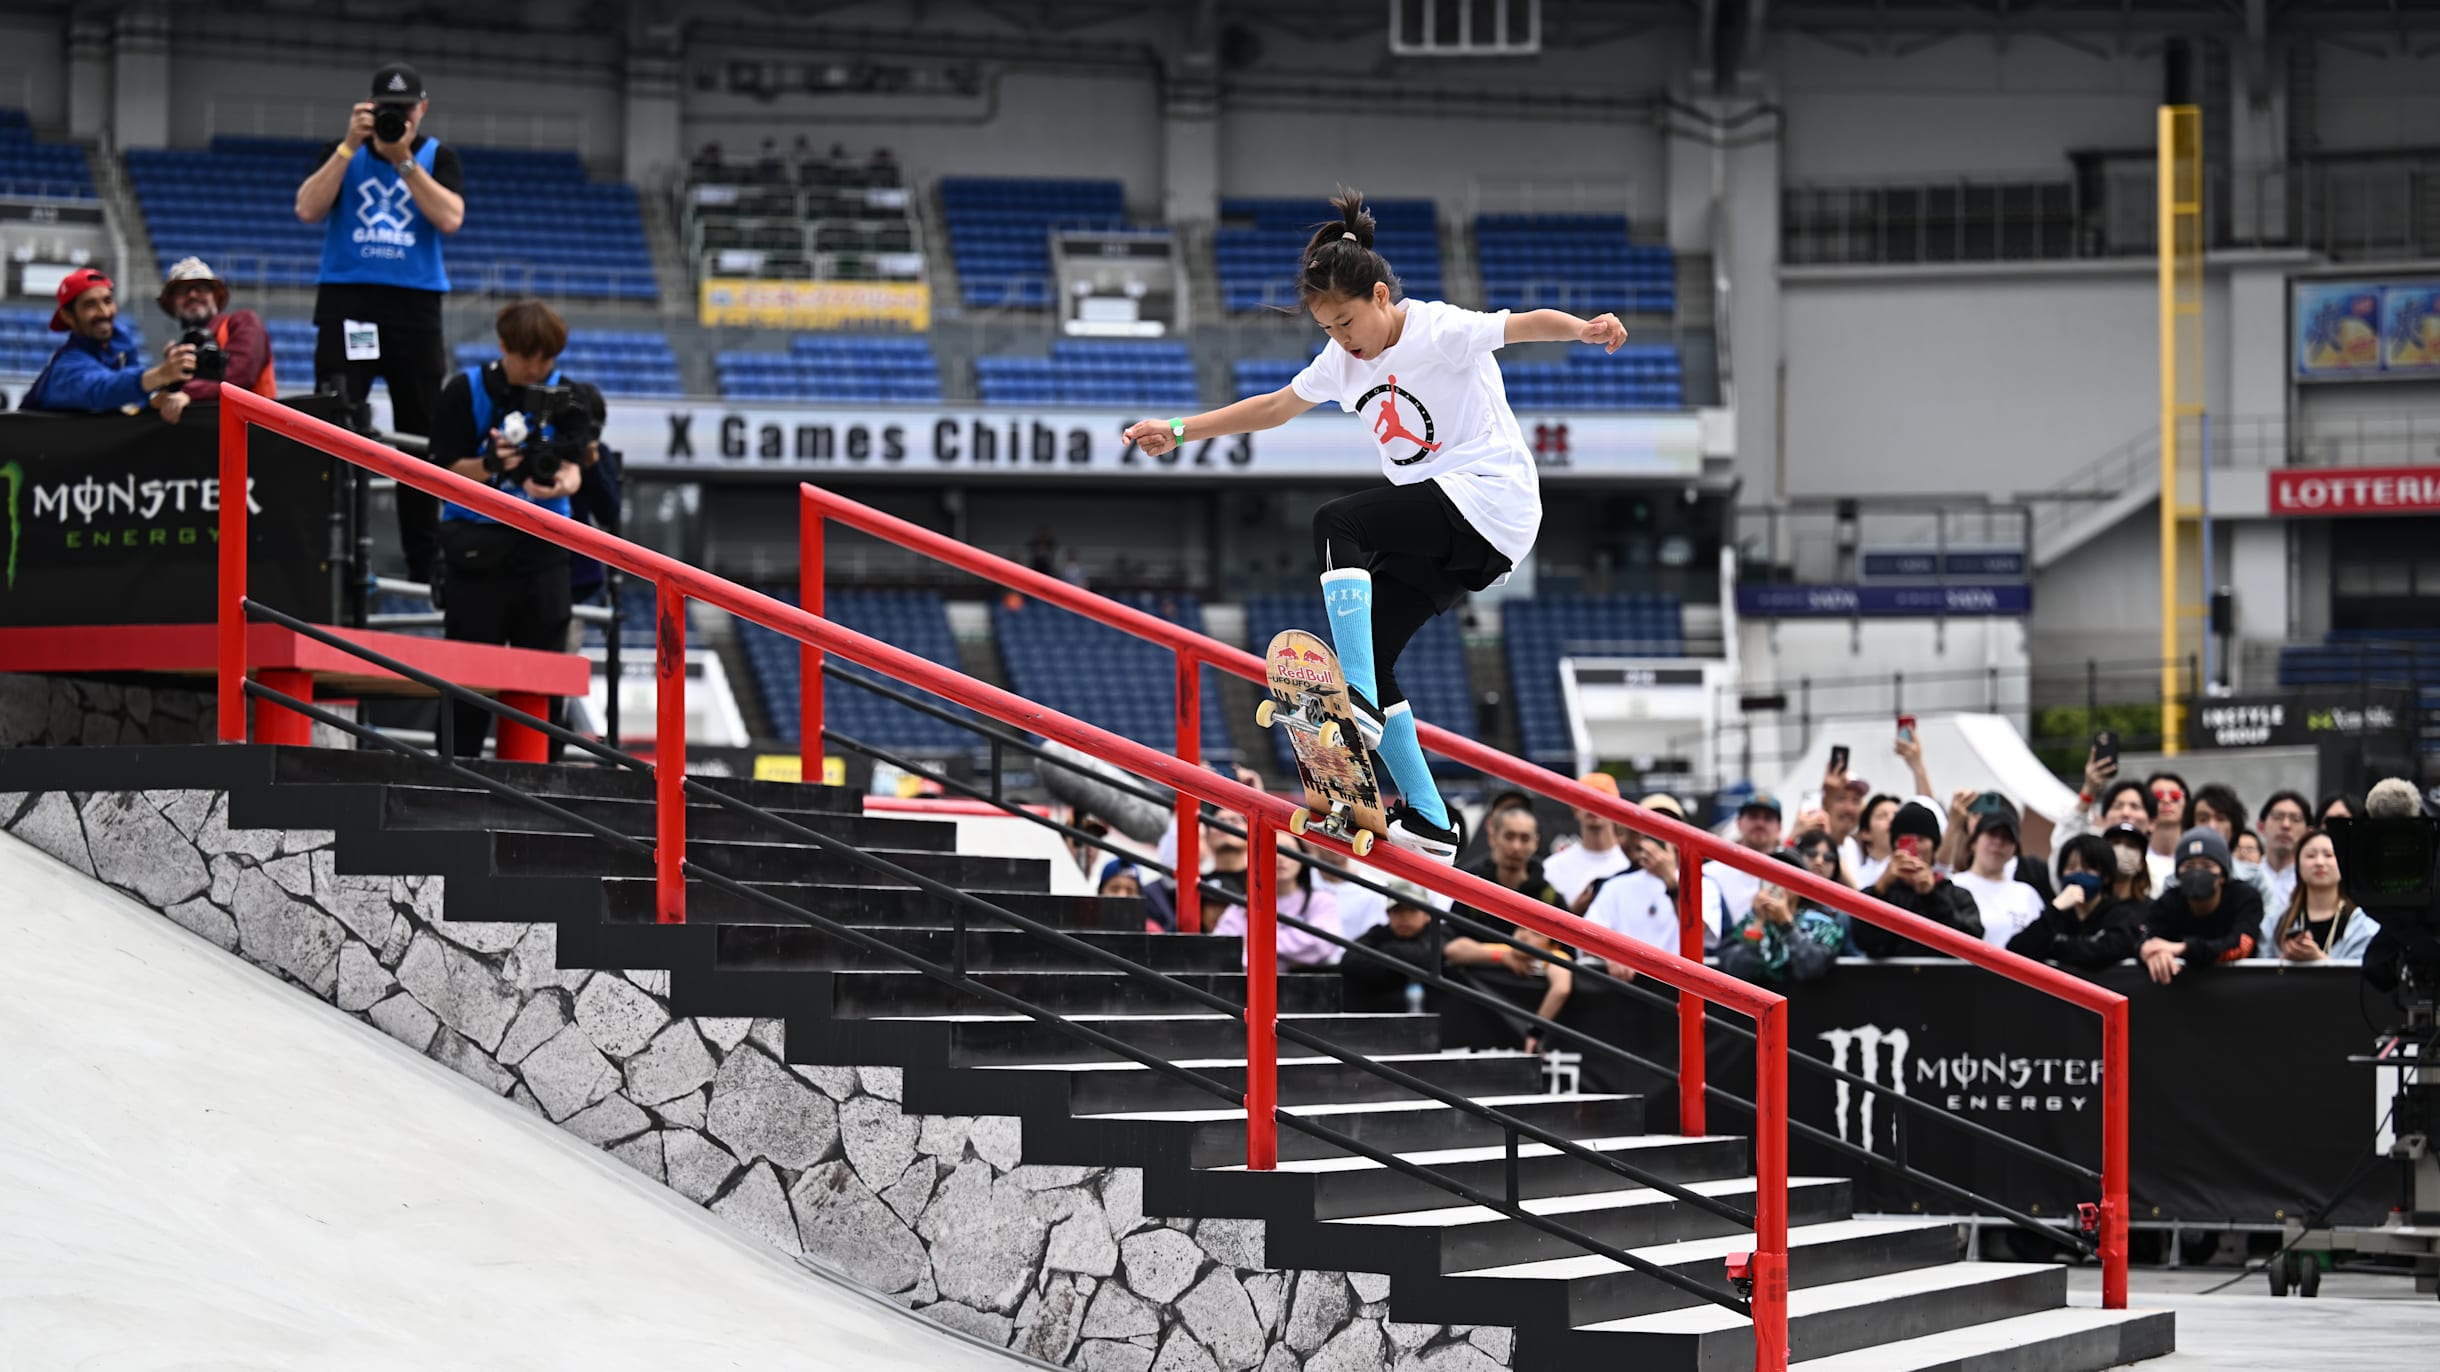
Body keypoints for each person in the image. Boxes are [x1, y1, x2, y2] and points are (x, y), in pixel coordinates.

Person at [1125, 189, 1628, 862]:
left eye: (1347, 322)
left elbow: (1521, 324)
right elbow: (1274, 407)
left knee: (1340, 523)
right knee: (1373, 654)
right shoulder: (1340, 362)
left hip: (1490, 498)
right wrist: (1180, 430)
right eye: (1327, 329)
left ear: (1382, 296)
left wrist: (1585, 329)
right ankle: (1430, 816)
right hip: (1457, 537)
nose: (1342, 340)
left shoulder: (1438, 330)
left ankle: (1355, 698)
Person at [295, 62, 465, 585]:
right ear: (367, 109)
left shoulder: (436, 156)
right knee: (337, 420)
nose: (398, 119)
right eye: (386, 111)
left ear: (422, 109)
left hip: (414, 310)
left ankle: (424, 560)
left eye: (406, 110)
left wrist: (405, 161)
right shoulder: (342, 153)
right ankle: (333, 554)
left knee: (421, 432)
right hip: (350, 303)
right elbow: (307, 208)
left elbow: (450, 218)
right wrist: (349, 147)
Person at [427, 300, 595, 756]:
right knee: (468, 682)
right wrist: (489, 464)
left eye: (547, 359)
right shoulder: (465, 390)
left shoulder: (570, 395)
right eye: (528, 358)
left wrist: (565, 477)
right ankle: (454, 778)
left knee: (543, 680)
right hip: (476, 552)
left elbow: (581, 462)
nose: (538, 368)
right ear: (504, 346)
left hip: (545, 550)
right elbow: (440, 471)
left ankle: (542, 782)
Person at [18, 269, 195, 413]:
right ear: (68, 316)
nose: (103, 312)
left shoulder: (120, 352)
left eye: (108, 301)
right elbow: (103, 389)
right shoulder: (66, 368)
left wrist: (158, 401)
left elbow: (128, 409)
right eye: (90, 305)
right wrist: (160, 375)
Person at [147, 257, 274, 425]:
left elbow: (240, 374)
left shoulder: (243, 322)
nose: (192, 295)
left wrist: (189, 393)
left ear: (215, 296)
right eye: (183, 291)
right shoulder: (180, 351)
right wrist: (168, 380)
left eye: (201, 288)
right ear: (172, 304)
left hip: (254, 434)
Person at [1848, 801, 1984, 957]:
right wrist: (1880, 890)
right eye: (1907, 841)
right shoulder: (1881, 893)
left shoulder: (1957, 896)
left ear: (1934, 846)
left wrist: (1932, 896)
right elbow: (1866, 941)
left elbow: (1969, 943)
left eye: (1922, 839)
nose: (1916, 847)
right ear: (1895, 846)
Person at [2138, 827, 2264, 985]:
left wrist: (2184, 948)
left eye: (2207, 866)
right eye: (2189, 866)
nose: (2197, 872)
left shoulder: (2244, 897)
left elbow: (2241, 945)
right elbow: (2144, 938)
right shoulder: (2169, 901)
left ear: (2223, 876)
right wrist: (2150, 952)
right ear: (2178, 874)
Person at [2007, 834, 2144, 970]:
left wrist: (2054, 948)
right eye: (2071, 868)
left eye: (2087, 869)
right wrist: (2055, 909)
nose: (2078, 874)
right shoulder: (2056, 915)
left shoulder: (2121, 915)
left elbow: (2107, 952)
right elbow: (2017, 951)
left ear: (2106, 877)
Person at [1210, 831, 1341, 968]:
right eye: (1273, 850)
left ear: (1302, 858)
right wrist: (1289, 956)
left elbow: (1320, 945)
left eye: (1288, 851)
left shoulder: (1321, 900)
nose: (1280, 858)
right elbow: (1222, 949)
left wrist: (1256, 944)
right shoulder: (1241, 906)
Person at [1721, 850, 1847, 986]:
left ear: (1800, 886)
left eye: (1785, 878)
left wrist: (1786, 925)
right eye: (1770, 877)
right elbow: (1736, 971)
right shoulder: (1749, 921)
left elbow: (1812, 967)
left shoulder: (1821, 924)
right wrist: (1758, 922)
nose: (1777, 884)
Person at [2262, 829, 2380, 963]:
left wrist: (2320, 960)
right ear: (2297, 865)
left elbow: (2364, 975)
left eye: (2329, 855)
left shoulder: (2362, 923)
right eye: (2311, 856)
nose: (2319, 862)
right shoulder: (2276, 920)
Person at [1339, 877, 1448, 1014]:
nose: (1405, 917)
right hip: (1381, 1017)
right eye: (1398, 910)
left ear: (1427, 914)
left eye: (1412, 910)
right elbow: (1350, 960)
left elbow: (1429, 956)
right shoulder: (1379, 933)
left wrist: (1388, 954)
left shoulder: (1439, 932)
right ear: (1388, 914)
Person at [1948, 807, 2049, 948]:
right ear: (1974, 841)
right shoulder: (1953, 885)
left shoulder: (2027, 894)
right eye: (1992, 834)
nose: (1998, 842)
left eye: (2007, 838)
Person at [1543, 771, 1633, 912]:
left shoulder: (1632, 864)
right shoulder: (1553, 868)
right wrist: (1573, 913)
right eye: (1585, 799)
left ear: (1616, 809)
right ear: (1575, 808)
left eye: (1602, 799)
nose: (1594, 805)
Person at [1703, 792, 1784, 927]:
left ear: (1779, 828)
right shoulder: (1711, 873)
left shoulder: (1789, 872)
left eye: (1768, 818)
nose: (1760, 823)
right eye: (1753, 816)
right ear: (1739, 823)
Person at [2189, 782, 2275, 904]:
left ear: (2233, 827)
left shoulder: (2255, 879)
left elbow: (2272, 920)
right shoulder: (2174, 881)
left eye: (2221, 819)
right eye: (2203, 819)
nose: (2212, 826)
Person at [2256, 789, 2311, 915]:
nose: (2286, 825)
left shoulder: (2310, 882)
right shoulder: (2249, 877)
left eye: (2295, 819)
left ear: (2308, 833)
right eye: (2277, 817)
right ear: (2261, 826)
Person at [1851, 792, 1902, 889]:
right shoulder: (1856, 876)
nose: (1892, 819)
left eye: (1897, 815)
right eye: (1882, 816)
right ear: (1866, 833)